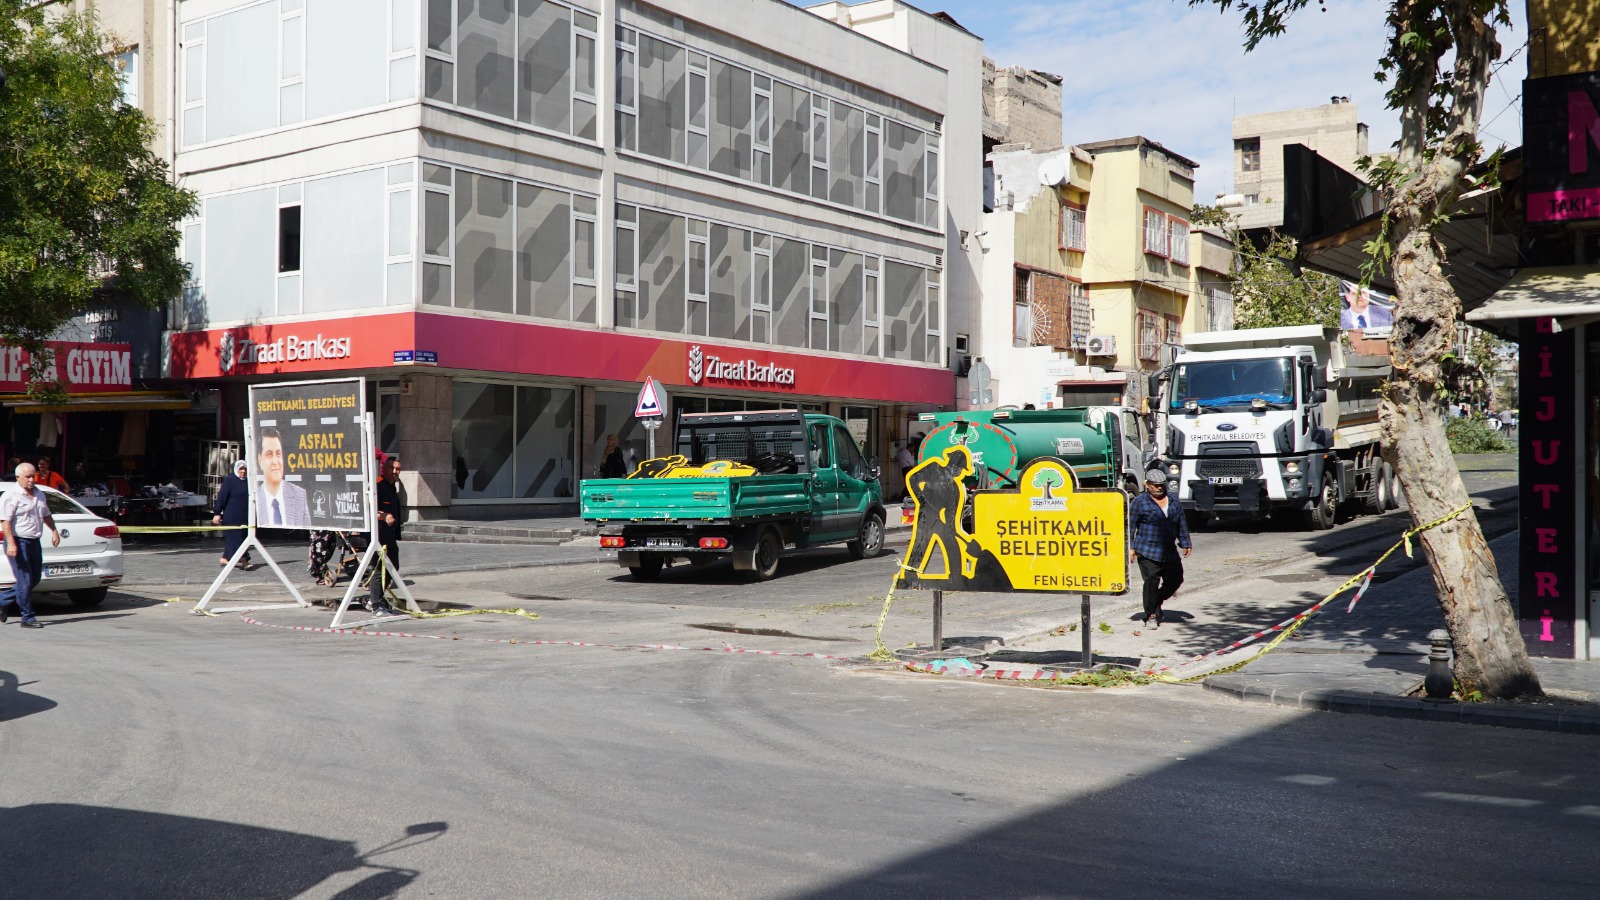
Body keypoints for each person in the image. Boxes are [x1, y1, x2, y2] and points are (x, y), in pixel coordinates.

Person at [1128, 467, 1191, 629]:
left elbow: (1181, 523)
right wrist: (1131, 547)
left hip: (1168, 550)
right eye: (1155, 485)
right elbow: (1130, 526)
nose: (1158, 487)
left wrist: (1185, 542)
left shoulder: (1173, 501)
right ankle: (1151, 614)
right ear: (1147, 485)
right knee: (1151, 581)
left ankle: (1156, 601)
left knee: (1176, 579)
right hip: (1147, 549)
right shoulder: (1139, 502)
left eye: (1161, 484)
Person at [0, 463, 62, 629]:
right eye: (27, 476)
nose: (31, 479)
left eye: (33, 476)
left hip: (34, 541)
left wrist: (54, 531)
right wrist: (11, 543)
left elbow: (46, 514)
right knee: (25, 580)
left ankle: (2, 600)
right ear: (17, 478)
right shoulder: (10, 496)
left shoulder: (39, 494)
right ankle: (27, 617)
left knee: (34, 578)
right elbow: (5, 521)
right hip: (18, 541)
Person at [368, 454, 404, 615]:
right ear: (383, 468)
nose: (395, 471)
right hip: (378, 535)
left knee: (392, 566)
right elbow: (368, 509)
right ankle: (376, 604)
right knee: (379, 568)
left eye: (397, 469)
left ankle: (377, 598)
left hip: (389, 535)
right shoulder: (378, 485)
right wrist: (383, 516)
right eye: (391, 468)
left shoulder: (392, 486)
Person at [255, 427, 310, 526]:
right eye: (269, 454)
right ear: (260, 460)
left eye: (278, 454)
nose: (275, 461)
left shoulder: (299, 496)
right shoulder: (254, 500)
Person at [212, 459, 255, 570]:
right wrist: (217, 513)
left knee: (240, 538)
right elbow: (222, 497)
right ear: (236, 469)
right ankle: (245, 561)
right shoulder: (230, 480)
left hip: (245, 516)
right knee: (237, 539)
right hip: (232, 516)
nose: (243, 471)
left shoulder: (249, 481)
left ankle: (225, 558)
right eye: (241, 468)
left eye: (245, 468)